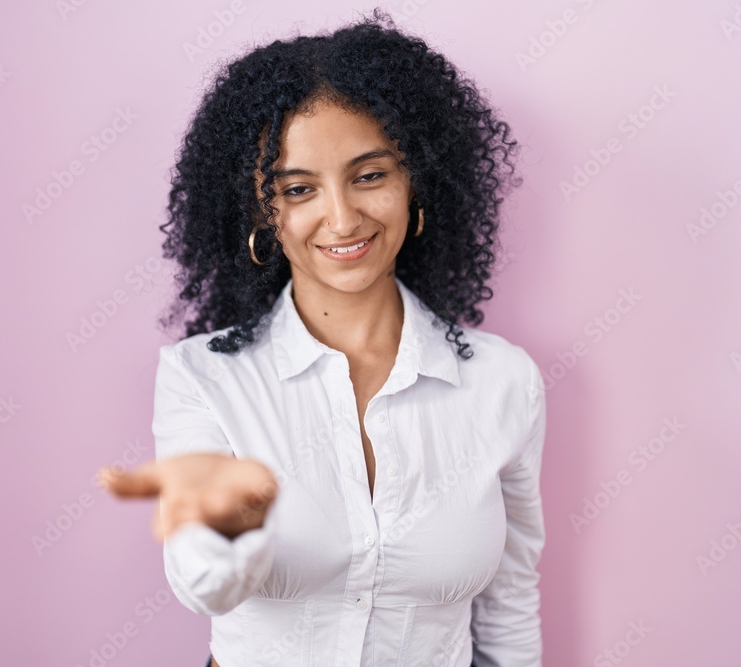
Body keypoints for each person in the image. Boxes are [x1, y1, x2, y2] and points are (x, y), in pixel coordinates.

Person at [97, 9, 548, 666]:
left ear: (416, 181)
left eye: (370, 175)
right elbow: (203, 586)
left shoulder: (502, 382)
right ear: (261, 211)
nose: (341, 218)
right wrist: (230, 524)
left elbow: (509, 605)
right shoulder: (204, 377)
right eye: (299, 189)